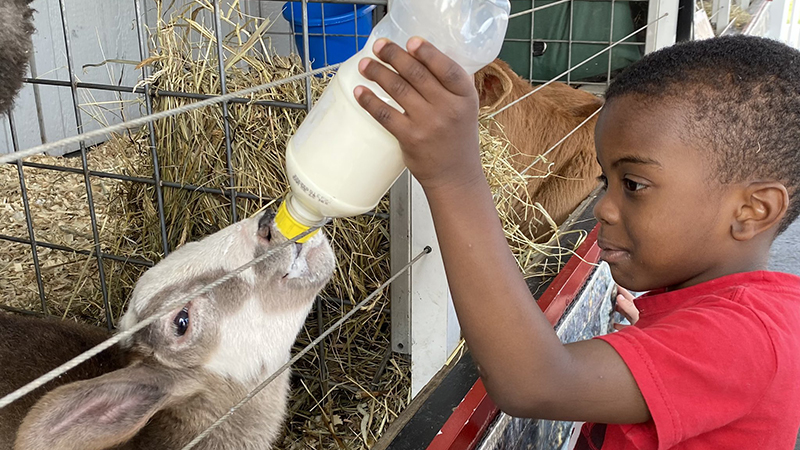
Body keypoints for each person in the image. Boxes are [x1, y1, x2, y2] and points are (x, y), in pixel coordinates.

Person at [352, 34, 800, 449]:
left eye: (635, 185)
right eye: (607, 181)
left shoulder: (748, 337)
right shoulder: (721, 309)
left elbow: (533, 384)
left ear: (753, 211)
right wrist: (647, 328)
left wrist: (453, 174)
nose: (603, 208)